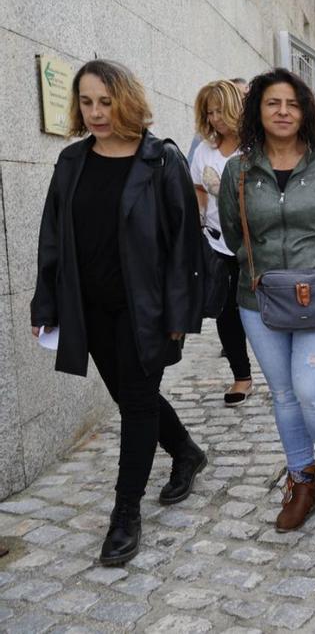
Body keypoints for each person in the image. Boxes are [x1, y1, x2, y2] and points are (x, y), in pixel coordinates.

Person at [31, 59, 207, 566]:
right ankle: (187, 453)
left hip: (146, 310)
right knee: (138, 396)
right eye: (86, 102)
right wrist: (46, 302)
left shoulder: (160, 161)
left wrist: (179, 314)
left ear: (126, 99)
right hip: (91, 310)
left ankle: (124, 514)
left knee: (135, 403)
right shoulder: (70, 162)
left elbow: (183, 247)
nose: (96, 112)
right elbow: (53, 240)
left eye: (105, 102)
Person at [218, 69, 315, 533]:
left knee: (311, 390)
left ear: (304, 111)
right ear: (257, 111)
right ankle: (302, 479)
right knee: (282, 393)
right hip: (259, 297)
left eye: (292, 104)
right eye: (272, 103)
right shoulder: (238, 169)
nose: (283, 112)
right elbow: (232, 232)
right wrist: (264, 268)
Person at [190, 79, 253, 406]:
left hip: (258, 247)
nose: (215, 118)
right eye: (209, 112)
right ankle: (241, 376)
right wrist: (198, 219)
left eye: (220, 110)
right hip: (218, 245)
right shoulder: (204, 150)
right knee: (227, 312)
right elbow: (199, 189)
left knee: (264, 311)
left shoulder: (257, 146)